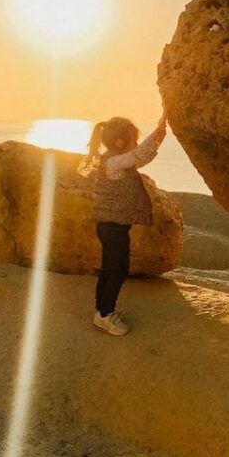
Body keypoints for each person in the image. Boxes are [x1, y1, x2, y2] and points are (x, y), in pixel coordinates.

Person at [78, 110, 168, 335]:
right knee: (117, 270)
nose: (135, 144)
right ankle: (105, 314)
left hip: (111, 226)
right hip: (112, 228)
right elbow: (138, 156)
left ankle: (102, 310)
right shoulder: (114, 162)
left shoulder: (115, 160)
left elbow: (140, 157)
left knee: (110, 269)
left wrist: (159, 136)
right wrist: (158, 132)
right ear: (120, 143)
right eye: (133, 140)